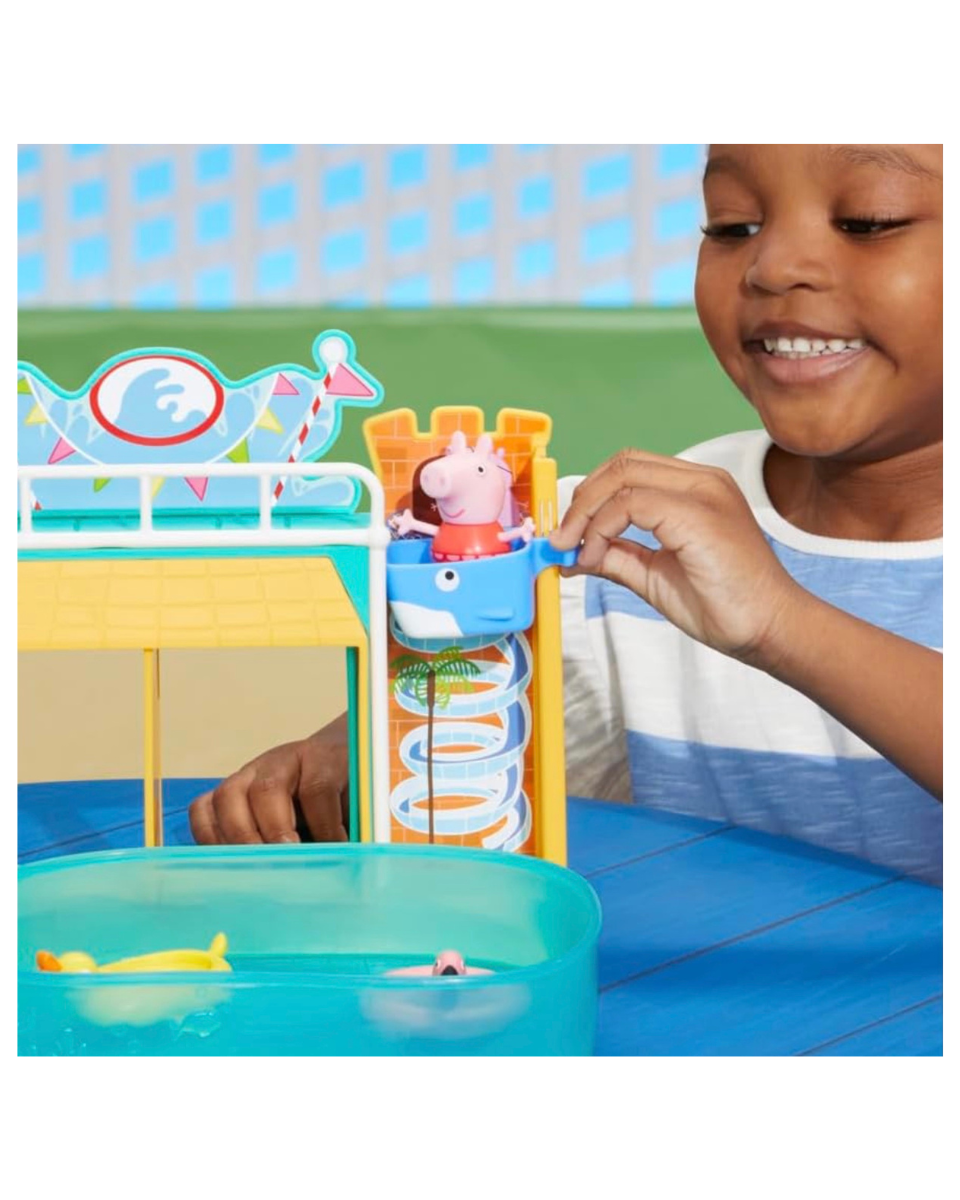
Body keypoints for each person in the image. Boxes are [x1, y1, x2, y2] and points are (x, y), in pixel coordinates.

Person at [189, 145, 942, 884]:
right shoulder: (636, 539)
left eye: (868, 221)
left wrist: (781, 623)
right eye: (733, 225)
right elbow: (464, 725)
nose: (771, 266)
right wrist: (355, 751)